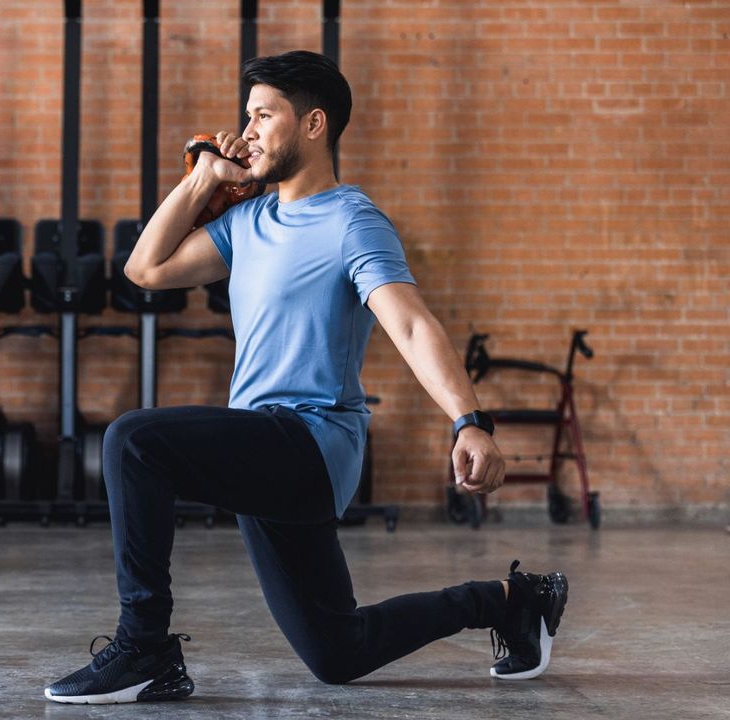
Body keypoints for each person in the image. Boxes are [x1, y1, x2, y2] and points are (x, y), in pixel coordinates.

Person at [43, 50, 569, 705]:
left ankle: (144, 646)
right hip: (263, 448)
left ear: (313, 125)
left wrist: (469, 419)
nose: (250, 129)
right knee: (336, 652)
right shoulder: (247, 223)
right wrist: (206, 177)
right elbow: (144, 270)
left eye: (265, 115)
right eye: (247, 116)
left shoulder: (353, 221)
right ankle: (510, 602)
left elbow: (409, 325)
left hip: (311, 441)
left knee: (134, 440)